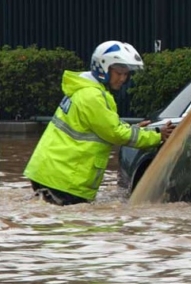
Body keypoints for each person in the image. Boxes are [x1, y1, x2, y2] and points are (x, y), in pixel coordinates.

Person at [23, 41, 175, 206]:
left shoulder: (87, 91)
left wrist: (134, 129)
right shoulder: (93, 96)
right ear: (103, 68)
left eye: (126, 74)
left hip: (52, 173)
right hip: (63, 179)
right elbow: (115, 133)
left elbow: (105, 125)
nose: (123, 78)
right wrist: (158, 135)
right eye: (119, 73)